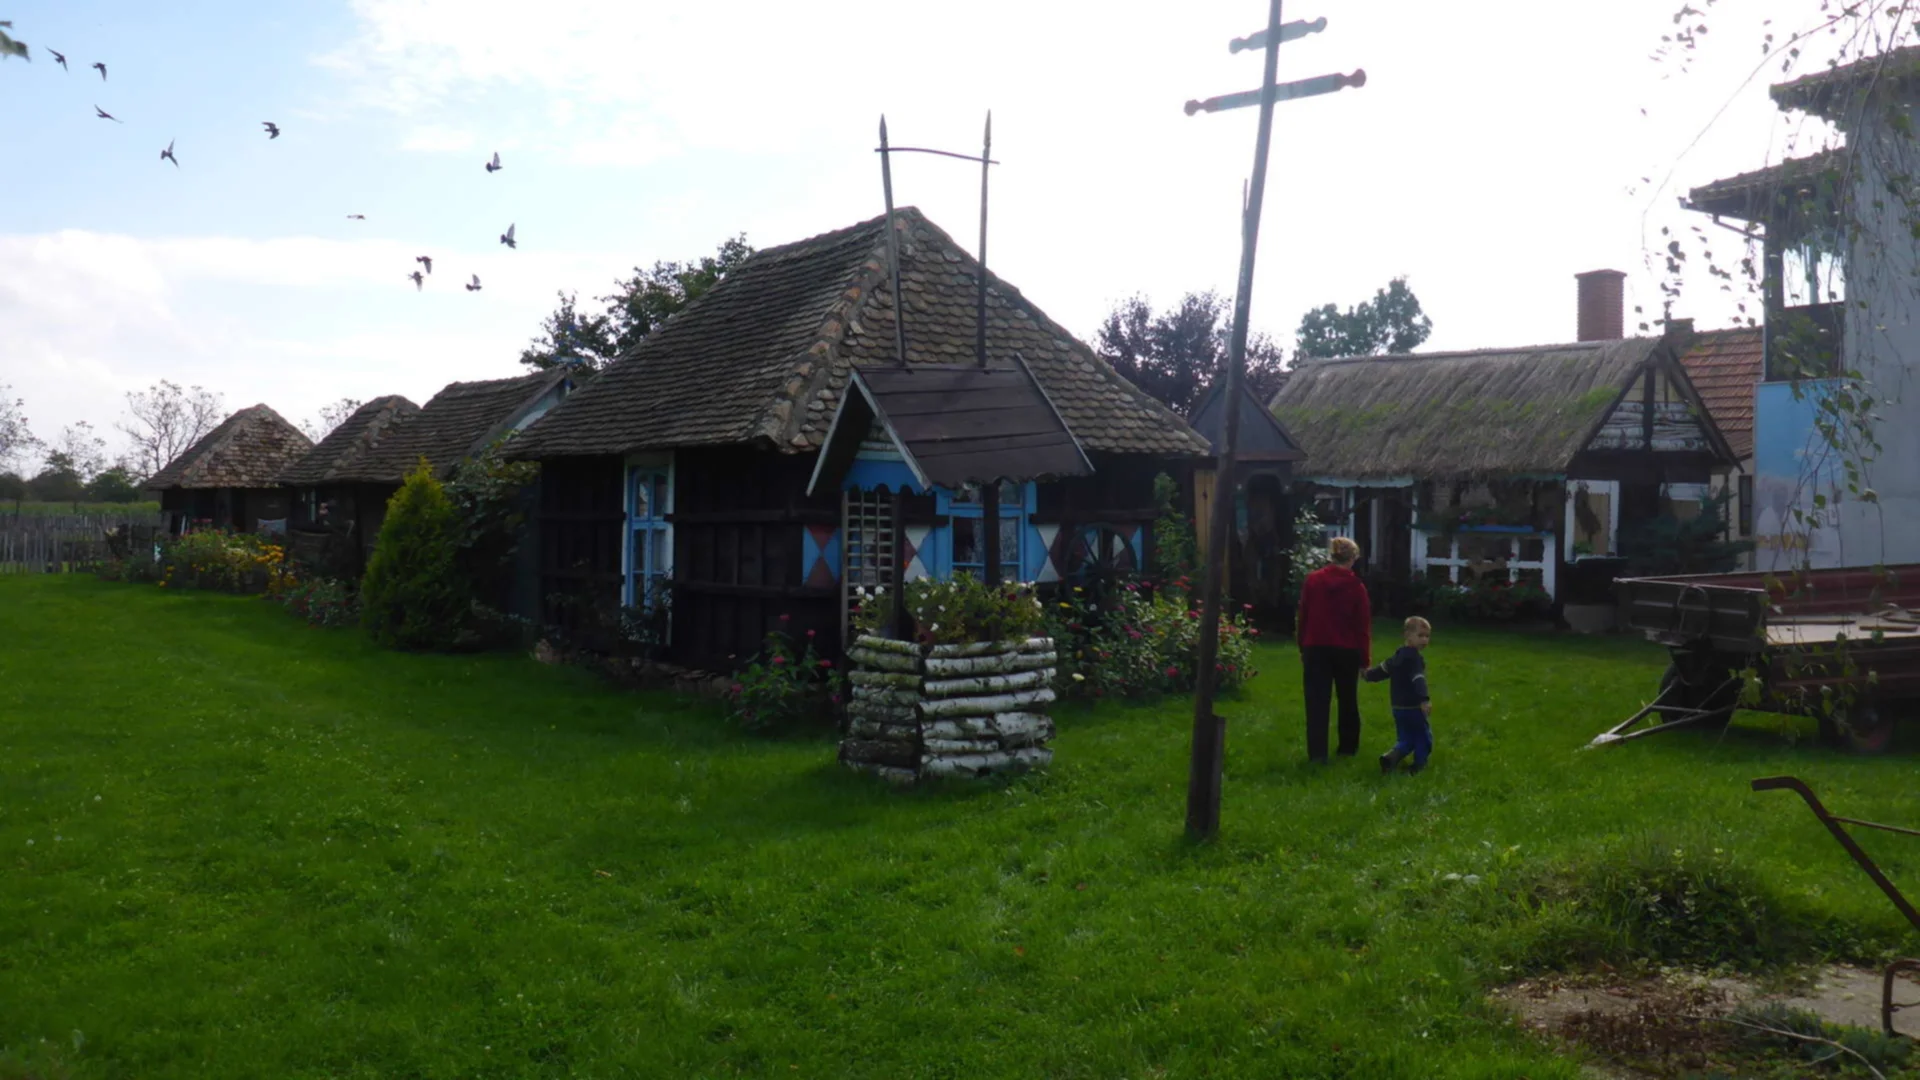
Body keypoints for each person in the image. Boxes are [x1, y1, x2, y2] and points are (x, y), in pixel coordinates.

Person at [1296, 535, 1372, 763]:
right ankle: (1347, 748)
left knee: (1316, 702)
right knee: (1348, 699)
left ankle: (1317, 753)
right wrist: (1364, 659)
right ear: (1352, 558)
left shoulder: (1313, 581)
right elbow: (1362, 625)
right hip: (1347, 649)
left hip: (1316, 646)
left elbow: (1303, 615)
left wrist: (1302, 645)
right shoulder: (1356, 587)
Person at [1365, 616, 1433, 774]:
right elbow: (1418, 679)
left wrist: (1368, 675)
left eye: (1427, 636)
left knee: (1405, 738)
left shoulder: (1398, 655)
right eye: (1420, 635)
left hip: (1397, 707)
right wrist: (1424, 699)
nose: (1424, 640)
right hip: (1413, 707)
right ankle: (1419, 765)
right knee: (1422, 737)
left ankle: (1390, 758)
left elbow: (1383, 670)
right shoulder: (1414, 658)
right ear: (1408, 635)